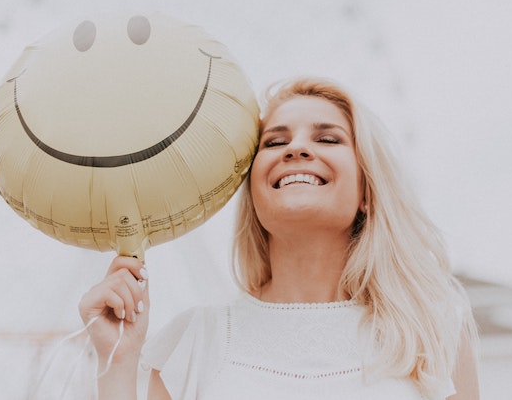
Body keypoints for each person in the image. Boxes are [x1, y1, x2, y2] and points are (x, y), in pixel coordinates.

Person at [79, 77, 480, 399]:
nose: (297, 148)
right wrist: (116, 361)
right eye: (275, 142)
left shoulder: (430, 333)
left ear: (368, 194)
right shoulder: (196, 343)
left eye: (327, 138)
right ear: (253, 193)